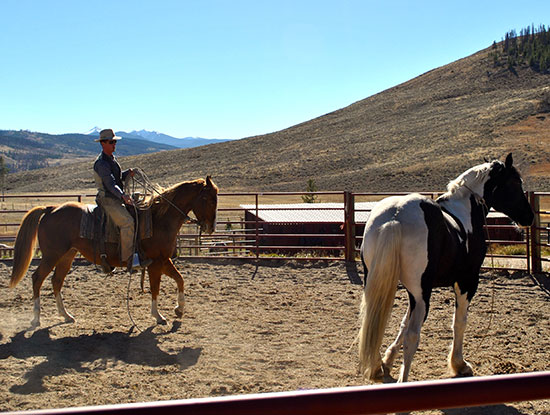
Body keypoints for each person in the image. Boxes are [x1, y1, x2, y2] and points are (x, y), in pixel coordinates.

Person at [93, 128, 148, 271]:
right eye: (111, 142)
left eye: (115, 142)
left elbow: (116, 179)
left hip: (115, 198)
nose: (114, 145)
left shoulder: (111, 160)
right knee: (128, 223)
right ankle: (128, 260)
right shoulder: (101, 163)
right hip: (108, 200)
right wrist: (123, 195)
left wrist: (126, 174)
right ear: (103, 143)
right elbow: (110, 184)